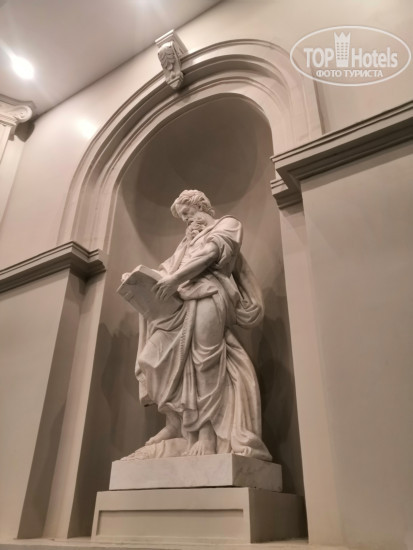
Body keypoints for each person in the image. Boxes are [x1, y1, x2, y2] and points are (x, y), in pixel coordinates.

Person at [123, 190, 271, 461]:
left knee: (205, 361)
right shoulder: (186, 243)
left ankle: (206, 434)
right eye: (183, 217)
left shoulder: (227, 225)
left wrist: (174, 279)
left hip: (210, 295)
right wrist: (139, 280)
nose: (187, 220)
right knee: (150, 358)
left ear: (200, 205)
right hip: (179, 302)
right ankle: (175, 422)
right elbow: (166, 270)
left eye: (187, 213)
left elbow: (211, 254)